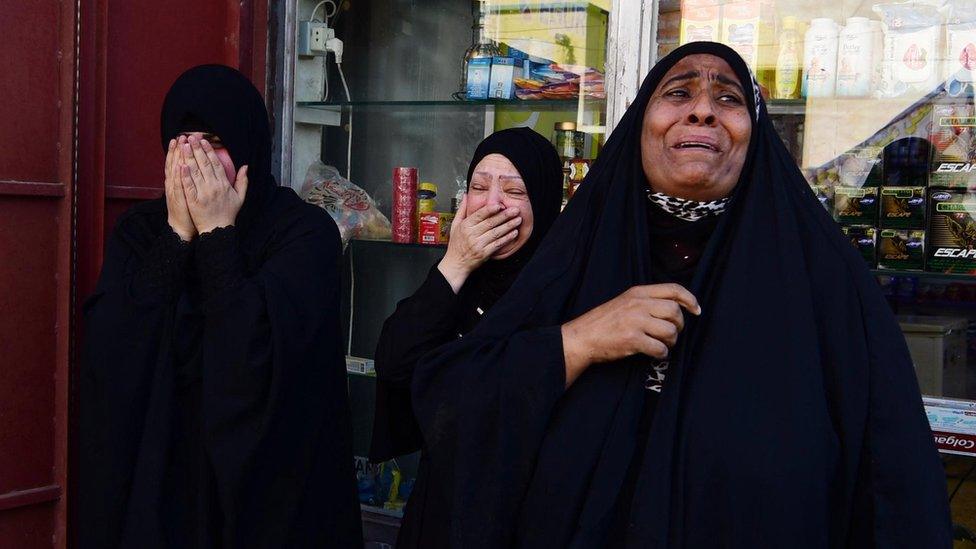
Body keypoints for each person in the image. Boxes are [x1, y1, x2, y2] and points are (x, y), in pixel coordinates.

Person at [412, 42, 952, 548]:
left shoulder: (824, 280)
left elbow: (895, 483)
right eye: (678, 93)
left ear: (755, 133)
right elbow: (456, 409)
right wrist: (577, 343)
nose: (701, 111)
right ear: (640, 124)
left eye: (728, 98)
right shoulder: (572, 260)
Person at [78, 65, 362, 548]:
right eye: (181, 142)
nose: (196, 161)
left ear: (248, 144)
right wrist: (177, 236)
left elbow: (258, 356)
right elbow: (115, 350)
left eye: (213, 140)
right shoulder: (142, 232)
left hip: (266, 493)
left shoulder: (302, 233)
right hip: (163, 479)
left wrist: (216, 234)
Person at [369, 128, 563, 548]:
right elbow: (394, 363)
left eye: (514, 191)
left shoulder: (562, 291)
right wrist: (454, 264)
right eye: (478, 187)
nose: (492, 204)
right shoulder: (460, 279)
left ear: (544, 204)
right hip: (441, 508)